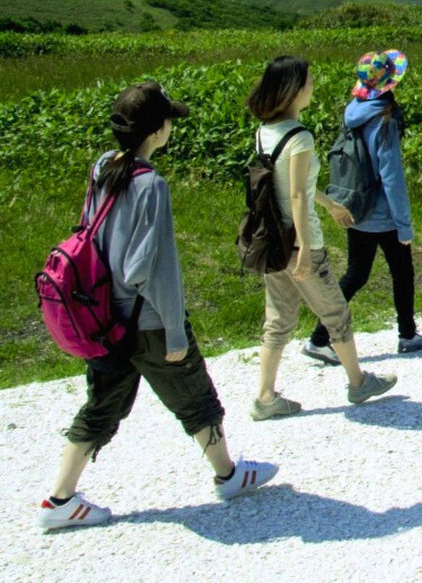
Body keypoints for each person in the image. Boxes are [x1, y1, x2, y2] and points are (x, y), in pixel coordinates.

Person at [39, 82, 278, 531]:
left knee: (102, 405)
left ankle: (60, 501)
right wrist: (173, 332)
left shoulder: (102, 168)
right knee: (195, 396)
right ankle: (229, 476)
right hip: (146, 319)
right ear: (157, 130)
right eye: (168, 120)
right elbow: (153, 270)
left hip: (104, 315)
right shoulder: (152, 186)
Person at [245, 56, 396, 420]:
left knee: (278, 319)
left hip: (272, 241)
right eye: (309, 81)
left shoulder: (264, 131)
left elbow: (289, 185)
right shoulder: (300, 136)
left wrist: (329, 204)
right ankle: (358, 383)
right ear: (294, 89)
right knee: (335, 312)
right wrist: (305, 250)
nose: (313, 86)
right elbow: (297, 194)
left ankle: (265, 397)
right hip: (301, 242)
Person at [303, 48, 422, 365]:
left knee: (356, 275)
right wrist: (404, 224)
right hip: (383, 215)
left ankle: (320, 338)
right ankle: (407, 335)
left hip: (355, 207)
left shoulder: (354, 111)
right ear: (390, 84)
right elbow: (392, 178)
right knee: (402, 272)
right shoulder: (385, 120)